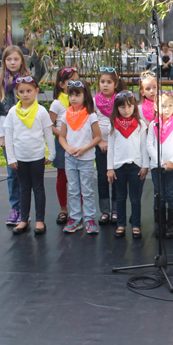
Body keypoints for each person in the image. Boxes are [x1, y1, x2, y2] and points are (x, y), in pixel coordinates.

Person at [3, 76, 55, 235]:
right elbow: (9, 135)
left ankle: (40, 220)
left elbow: (48, 133)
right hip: (20, 158)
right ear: (17, 93)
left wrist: (51, 154)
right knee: (23, 189)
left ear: (36, 91)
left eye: (29, 91)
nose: (25, 94)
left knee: (38, 188)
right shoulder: (13, 112)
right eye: (22, 92)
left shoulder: (41, 111)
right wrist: (11, 158)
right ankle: (23, 219)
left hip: (37, 157)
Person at [0, 45, 31, 226]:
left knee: (25, 173)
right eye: (9, 59)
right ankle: (15, 208)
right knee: (12, 173)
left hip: (24, 134)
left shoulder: (28, 83)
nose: (12, 62)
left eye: (16, 59)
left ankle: (25, 210)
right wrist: (2, 136)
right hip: (8, 135)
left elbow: (33, 110)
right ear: (4, 62)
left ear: (21, 60)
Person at [59, 80, 103, 234]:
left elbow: (97, 137)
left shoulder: (91, 115)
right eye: (71, 95)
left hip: (86, 159)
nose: (73, 98)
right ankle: (75, 218)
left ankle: (90, 218)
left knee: (87, 189)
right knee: (72, 189)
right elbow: (62, 137)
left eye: (77, 95)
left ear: (85, 96)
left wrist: (85, 149)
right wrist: (67, 148)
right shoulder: (66, 114)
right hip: (70, 158)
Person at [107, 91, 149, 239]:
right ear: (117, 108)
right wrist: (110, 168)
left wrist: (145, 165)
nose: (126, 110)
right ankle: (121, 224)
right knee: (120, 197)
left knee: (135, 198)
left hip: (135, 165)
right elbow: (111, 147)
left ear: (135, 107)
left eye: (130, 106)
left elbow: (144, 146)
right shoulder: (113, 124)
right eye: (122, 107)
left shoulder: (140, 124)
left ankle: (136, 225)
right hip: (118, 166)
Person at [146, 91, 173, 239]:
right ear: (155, 106)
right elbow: (149, 144)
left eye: (169, 105)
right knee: (159, 195)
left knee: (171, 195)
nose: (166, 109)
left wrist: (172, 162)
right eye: (163, 106)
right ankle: (160, 225)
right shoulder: (153, 124)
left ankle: (171, 226)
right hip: (157, 167)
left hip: (172, 168)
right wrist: (159, 162)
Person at [94, 67, 126, 226]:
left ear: (115, 84)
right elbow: (92, 124)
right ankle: (105, 211)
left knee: (116, 177)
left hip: (116, 145)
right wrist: (99, 141)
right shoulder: (94, 101)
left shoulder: (120, 100)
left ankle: (116, 210)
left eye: (109, 82)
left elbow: (120, 122)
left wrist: (111, 143)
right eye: (102, 82)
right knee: (102, 177)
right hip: (100, 146)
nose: (105, 85)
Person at [49, 67, 79, 225]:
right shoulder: (57, 103)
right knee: (62, 177)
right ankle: (63, 209)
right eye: (70, 81)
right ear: (61, 84)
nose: (74, 84)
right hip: (63, 144)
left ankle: (78, 209)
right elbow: (48, 124)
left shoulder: (81, 100)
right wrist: (62, 135)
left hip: (79, 143)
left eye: (76, 80)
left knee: (79, 177)